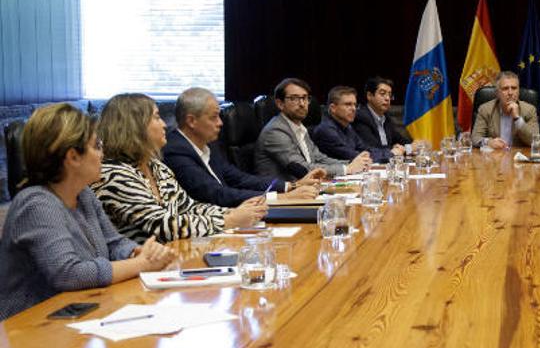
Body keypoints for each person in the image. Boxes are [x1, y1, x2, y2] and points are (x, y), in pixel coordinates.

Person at [0, 103, 175, 320]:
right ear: (73, 157)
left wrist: (138, 252)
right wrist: (141, 264)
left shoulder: (84, 195)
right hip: (30, 327)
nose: (102, 154)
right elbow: (69, 274)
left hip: (81, 313)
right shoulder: (36, 204)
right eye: (97, 145)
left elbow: (113, 243)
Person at [92, 93, 267, 243]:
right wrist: (228, 221)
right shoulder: (113, 174)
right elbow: (163, 225)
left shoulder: (157, 167)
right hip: (137, 272)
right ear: (134, 126)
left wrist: (239, 211)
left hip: (172, 257)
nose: (164, 125)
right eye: (157, 117)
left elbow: (189, 208)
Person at [162, 87, 321, 207]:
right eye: (214, 117)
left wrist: (291, 186)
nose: (220, 123)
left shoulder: (208, 144)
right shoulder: (176, 151)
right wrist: (281, 198)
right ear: (191, 121)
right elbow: (217, 194)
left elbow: (239, 178)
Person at [254, 78, 371, 180]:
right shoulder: (275, 131)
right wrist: (347, 169)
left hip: (306, 188)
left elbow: (319, 158)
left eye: (305, 98)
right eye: (294, 98)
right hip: (283, 197)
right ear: (280, 104)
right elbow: (302, 168)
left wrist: (354, 163)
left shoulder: (299, 127)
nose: (302, 103)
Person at [312, 85, 404, 162]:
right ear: (333, 108)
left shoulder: (347, 127)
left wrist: (390, 150)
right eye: (348, 104)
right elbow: (355, 156)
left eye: (355, 105)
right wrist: (392, 153)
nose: (353, 109)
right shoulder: (326, 130)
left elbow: (365, 149)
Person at [471, 71, 539, 148]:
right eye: (505, 88)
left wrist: (517, 118)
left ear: (518, 91)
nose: (510, 93)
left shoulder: (529, 110)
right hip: (494, 157)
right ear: (497, 93)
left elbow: (535, 141)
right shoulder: (485, 109)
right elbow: (475, 138)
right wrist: (489, 142)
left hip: (518, 158)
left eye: (514, 88)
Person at [352, 76, 412, 151]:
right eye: (382, 94)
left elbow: (400, 139)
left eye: (390, 95)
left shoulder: (386, 117)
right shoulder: (361, 117)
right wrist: (406, 149)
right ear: (369, 95)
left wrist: (413, 145)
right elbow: (373, 149)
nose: (387, 98)